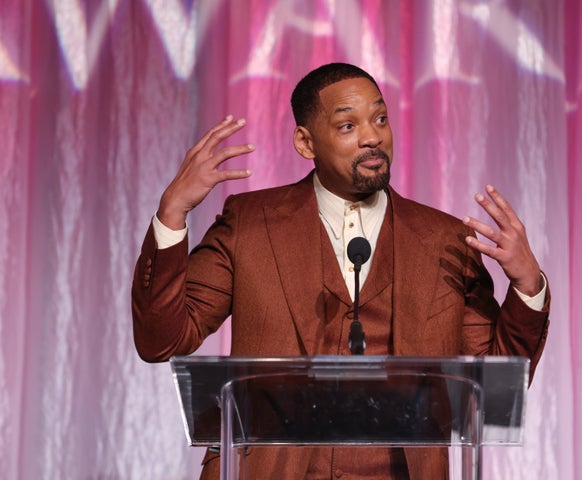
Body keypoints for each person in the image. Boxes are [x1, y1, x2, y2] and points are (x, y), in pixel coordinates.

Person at [132, 63, 550, 480]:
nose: (373, 137)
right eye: (348, 125)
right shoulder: (250, 222)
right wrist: (172, 214)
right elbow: (161, 339)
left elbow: (494, 384)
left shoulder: (444, 239)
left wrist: (528, 284)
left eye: (380, 119)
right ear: (305, 141)